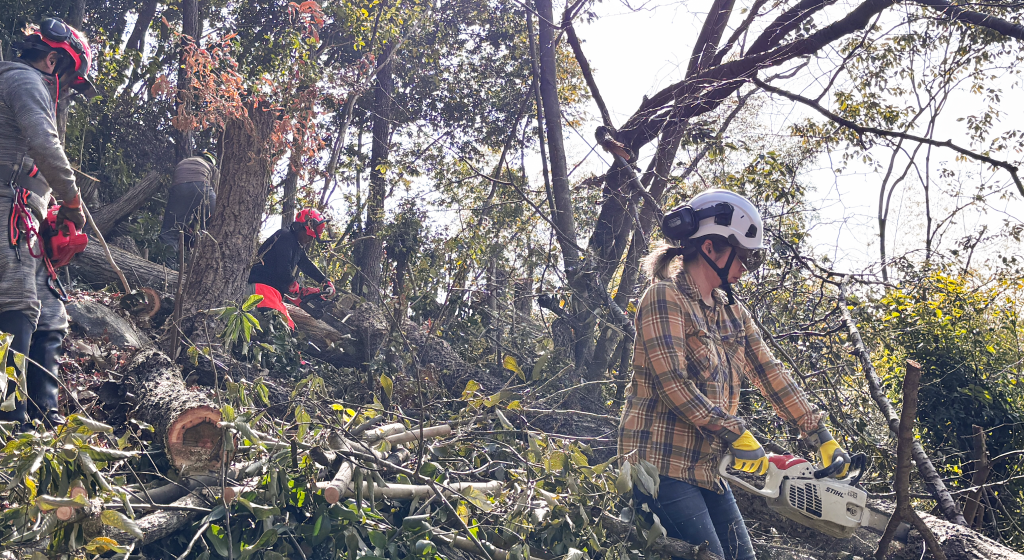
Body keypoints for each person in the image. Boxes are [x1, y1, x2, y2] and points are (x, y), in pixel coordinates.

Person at [618, 189, 851, 560]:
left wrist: (817, 432)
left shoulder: (732, 312)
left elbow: (769, 372)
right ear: (710, 248)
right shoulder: (664, 297)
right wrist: (734, 431)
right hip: (658, 467)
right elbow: (673, 384)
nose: (745, 266)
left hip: (706, 469)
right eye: (742, 255)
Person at [0, 18, 99, 428]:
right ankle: (9, 416)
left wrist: (52, 204)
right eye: (71, 79)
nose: (68, 88)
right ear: (54, 60)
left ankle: (45, 415)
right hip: (6, 206)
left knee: (50, 308)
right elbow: (44, 143)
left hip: (26, 212)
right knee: (15, 302)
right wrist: (73, 201)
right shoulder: (23, 79)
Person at [247, 208, 334, 329]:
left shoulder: (296, 246)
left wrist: (324, 280)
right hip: (261, 287)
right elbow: (283, 268)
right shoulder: (285, 236)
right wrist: (293, 284)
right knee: (279, 329)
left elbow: (306, 264)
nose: (311, 239)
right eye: (310, 235)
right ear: (301, 227)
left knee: (290, 328)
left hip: (273, 292)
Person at [159, 151, 219, 252]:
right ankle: (204, 250)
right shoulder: (212, 168)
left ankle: (167, 259)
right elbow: (217, 193)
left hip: (179, 189)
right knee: (213, 224)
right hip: (203, 189)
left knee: (170, 231)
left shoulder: (185, 161)